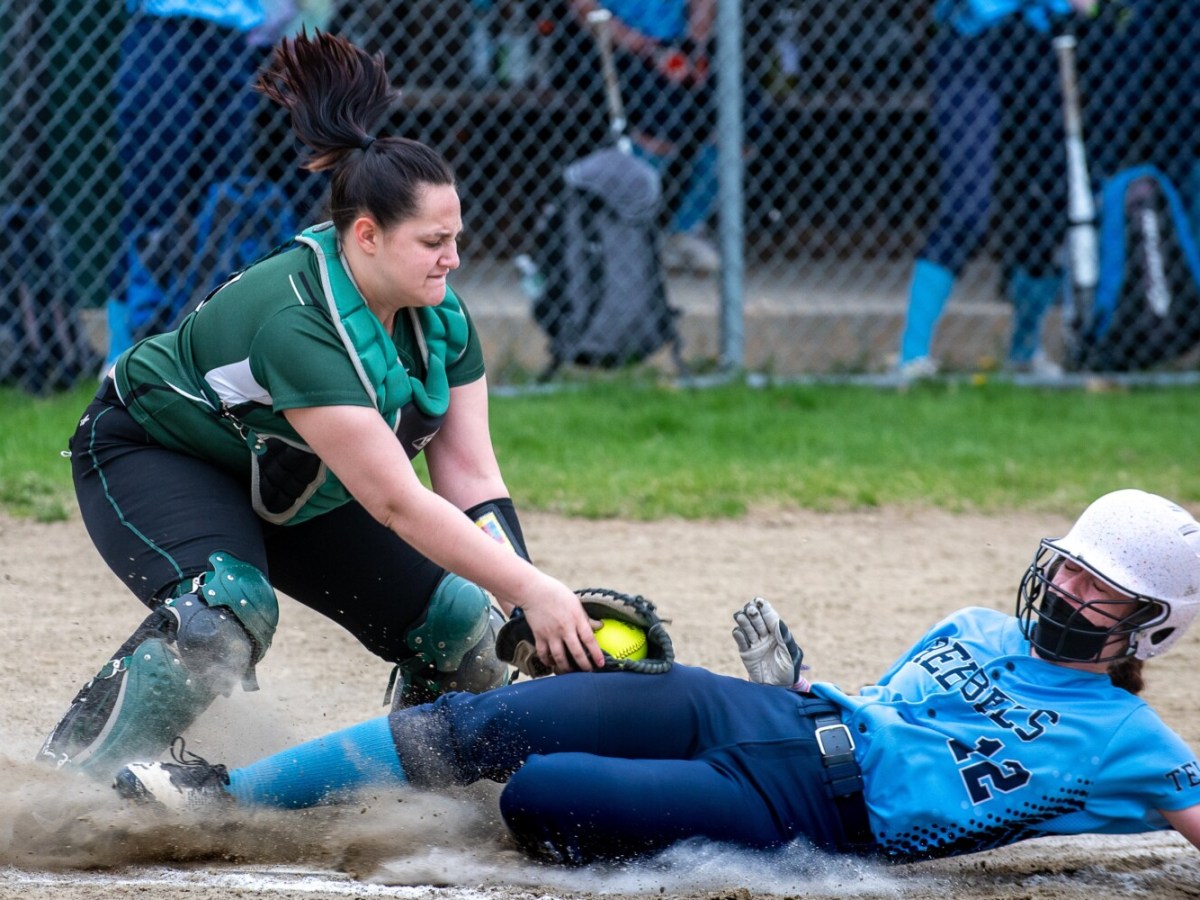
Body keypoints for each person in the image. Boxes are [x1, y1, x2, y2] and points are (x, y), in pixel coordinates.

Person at [41, 30, 604, 781]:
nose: (454, 258)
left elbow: (471, 478)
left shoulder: (439, 319)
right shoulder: (301, 321)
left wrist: (524, 606)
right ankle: (66, 794)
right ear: (366, 235)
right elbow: (397, 502)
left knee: (463, 624)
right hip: (156, 453)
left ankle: (424, 797)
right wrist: (533, 591)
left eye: (455, 237)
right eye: (433, 241)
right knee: (223, 614)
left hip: (292, 483)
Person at [113, 489, 1200, 865]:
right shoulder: (975, 625)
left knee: (542, 794)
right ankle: (221, 793)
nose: (1068, 591)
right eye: (1069, 567)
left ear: (1151, 630)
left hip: (805, 808)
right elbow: (893, 716)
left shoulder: (1130, 744)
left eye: (1103, 591)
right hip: (756, 708)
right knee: (486, 722)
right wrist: (802, 680)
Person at [895, 0, 1106, 381]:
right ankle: (911, 357)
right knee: (966, 211)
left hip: (1040, 50)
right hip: (970, 47)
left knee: (1048, 210)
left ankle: (1024, 351)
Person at [566, 0, 721, 275]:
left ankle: (684, 232)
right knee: (662, 119)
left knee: (746, 121)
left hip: (678, 45)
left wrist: (694, 47)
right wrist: (645, 48)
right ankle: (627, 233)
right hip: (612, 44)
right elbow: (583, 7)